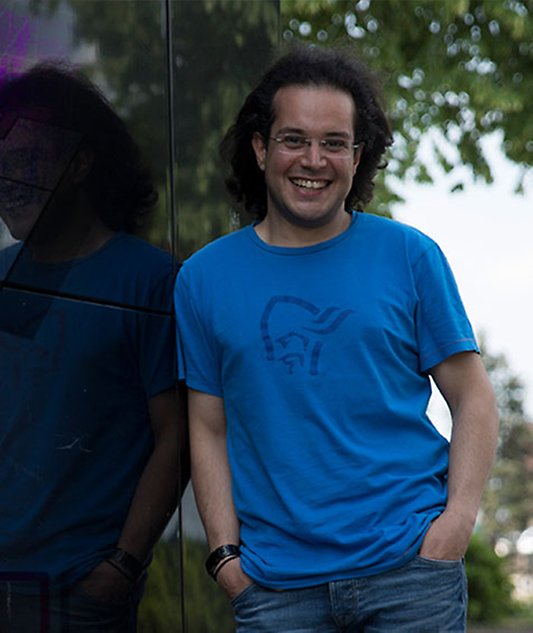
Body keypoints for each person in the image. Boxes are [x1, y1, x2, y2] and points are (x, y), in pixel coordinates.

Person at [174, 45, 498, 631]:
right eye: (294, 139)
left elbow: (473, 398)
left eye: (334, 143)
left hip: (410, 577)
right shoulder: (203, 279)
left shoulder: (409, 256)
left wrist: (455, 525)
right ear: (260, 147)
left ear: (359, 155)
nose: (313, 160)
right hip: (274, 590)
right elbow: (207, 424)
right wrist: (225, 557)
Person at [0, 64, 186, 632]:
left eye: (26, 162)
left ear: (81, 163)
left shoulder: (150, 280)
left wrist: (121, 566)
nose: (6, 181)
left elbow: (178, 435)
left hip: (74, 598)